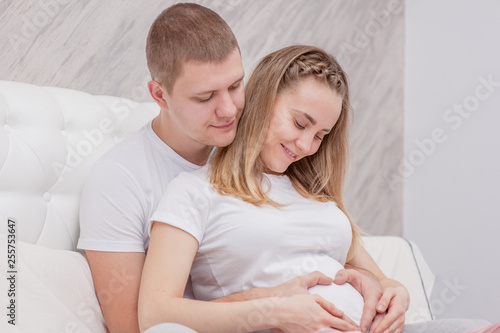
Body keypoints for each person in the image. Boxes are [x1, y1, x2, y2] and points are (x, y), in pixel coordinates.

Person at [77, 4, 390, 333]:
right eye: (206, 97)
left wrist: (382, 287)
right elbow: (140, 326)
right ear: (160, 95)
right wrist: (267, 304)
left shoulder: (270, 149)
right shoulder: (120, 181)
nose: (229, 110)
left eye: (235, 86)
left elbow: (346, 255)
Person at [139, 45, 491, 333]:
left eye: (321, 135)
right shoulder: (194, 192)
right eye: (300, 123)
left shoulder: (315, 198)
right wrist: (271, 310)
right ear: (262, 100)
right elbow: (155, 315)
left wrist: (394, 293)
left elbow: (381, 279)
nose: (307, 145)